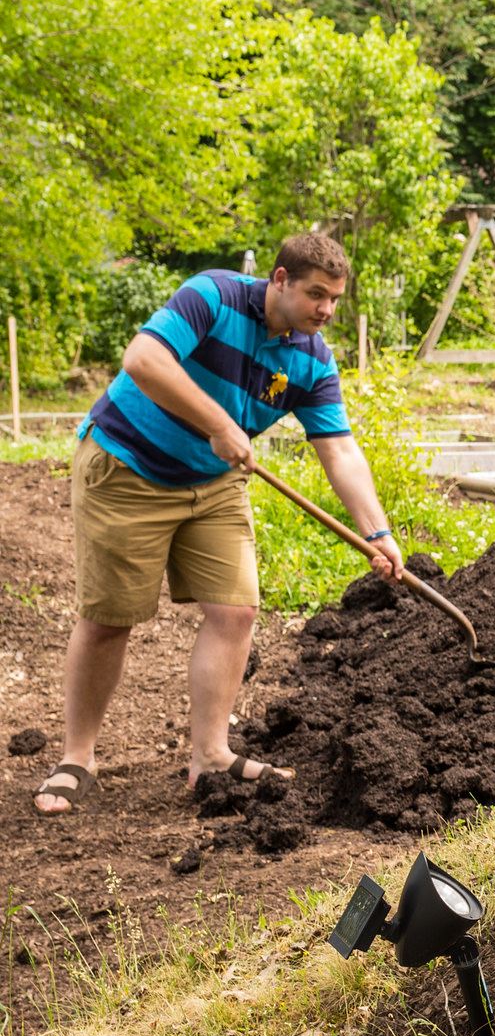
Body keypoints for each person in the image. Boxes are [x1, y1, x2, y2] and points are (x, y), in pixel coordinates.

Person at [32, 234, 406, 816]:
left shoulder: (313, 357)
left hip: (212, 482)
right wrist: (217, 421)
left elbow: (340, 450)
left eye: (335, 299)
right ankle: (77, 756)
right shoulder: (212, 295)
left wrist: (377, 532)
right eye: (316, 294)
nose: (326, 310)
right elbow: (143, 360)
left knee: (236, 610)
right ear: (279, 280)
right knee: (110, 618)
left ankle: (209, 752)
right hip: (129, 466)